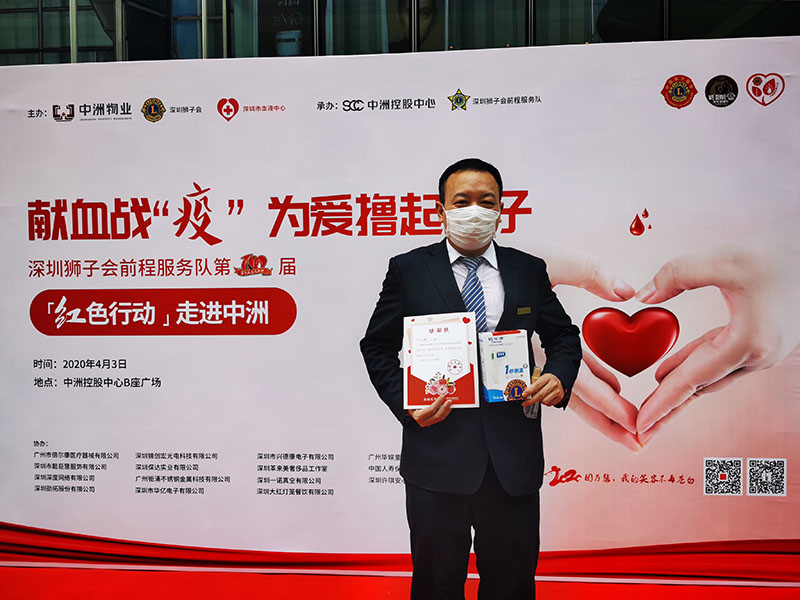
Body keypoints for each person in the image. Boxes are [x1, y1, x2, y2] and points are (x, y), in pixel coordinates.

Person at [360, 158, 582, 599]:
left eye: (487, 201)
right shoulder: (409, 269)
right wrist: (407, 403)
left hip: (512, 459)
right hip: (436, 456)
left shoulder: (528, 269)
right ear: (440, 209)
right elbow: (377, 346)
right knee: (436, 586)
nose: (474, 211)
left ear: (501, 210)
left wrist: (558, 376)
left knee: (511, 585)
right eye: (462, 202)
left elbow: (563, 337)